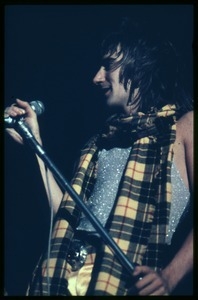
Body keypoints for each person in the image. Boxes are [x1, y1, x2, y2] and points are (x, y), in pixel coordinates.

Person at [4, 18, 193, 296]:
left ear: (140, 62)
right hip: (61, 278)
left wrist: (170, 276)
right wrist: (34, 142)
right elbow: (66, 216)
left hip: (122, 282)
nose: (96, 77)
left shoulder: (185, 126)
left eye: (108, 65)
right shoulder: (101, 141)